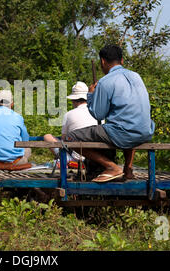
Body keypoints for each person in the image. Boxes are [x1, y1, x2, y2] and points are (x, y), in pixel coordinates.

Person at [66, 44, 155, 182]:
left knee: (70, 138)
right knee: (127, 121)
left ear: (102, 61)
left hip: (123, 133)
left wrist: (90, 95)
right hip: (145, 131)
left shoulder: (105, 82)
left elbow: (98, 114)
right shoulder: (136, 76)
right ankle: (128, 169)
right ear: (122, 60)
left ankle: (111, 166)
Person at [43, 81, 99, 164]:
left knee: (47, 136)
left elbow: (63, 139)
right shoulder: (98, 113)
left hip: (76, 156)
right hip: (96, 157)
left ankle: (67, 161)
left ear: (73, 100)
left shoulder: (68, 115)